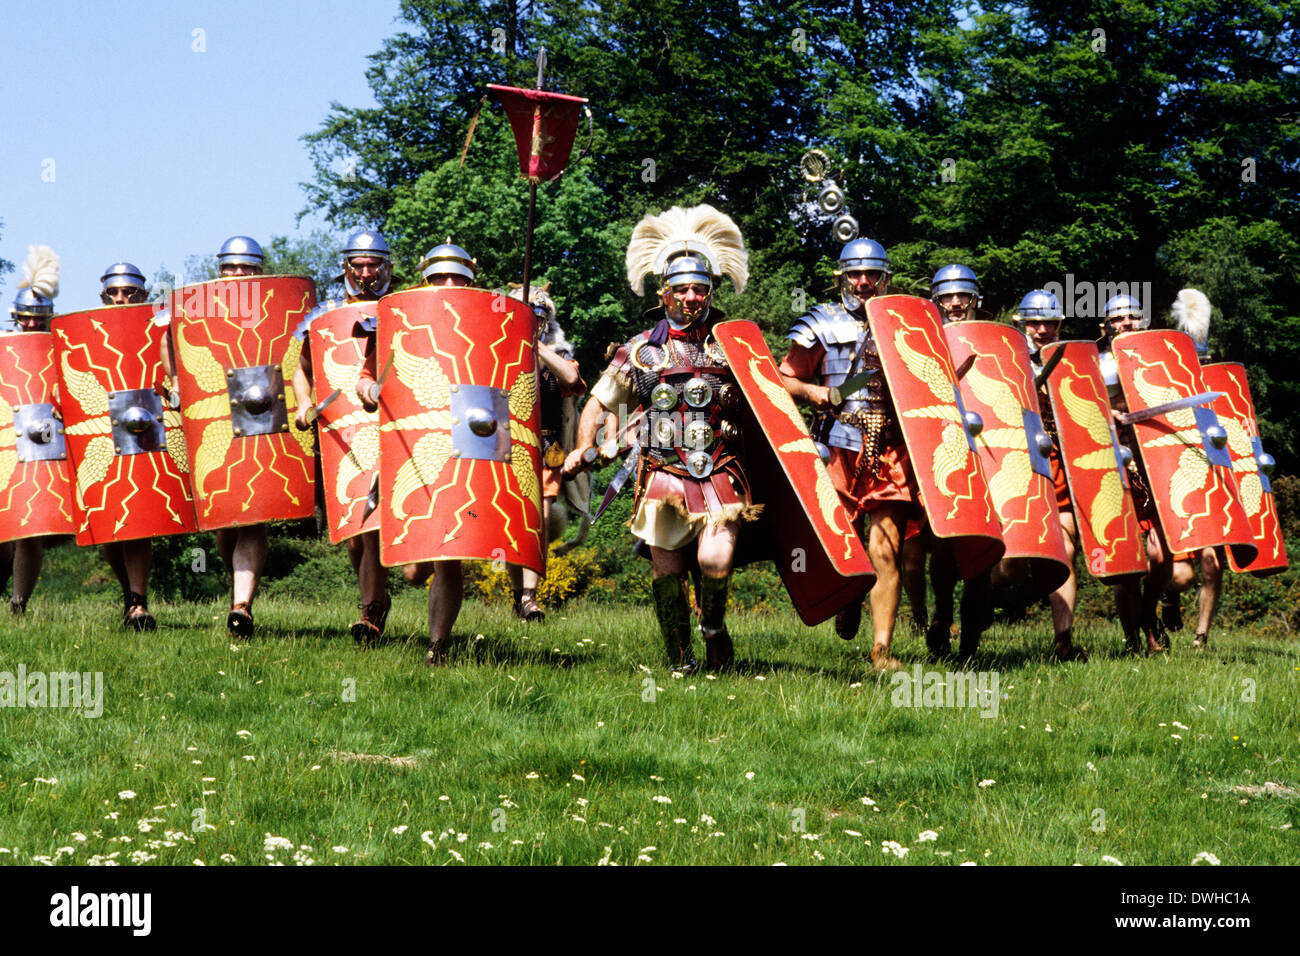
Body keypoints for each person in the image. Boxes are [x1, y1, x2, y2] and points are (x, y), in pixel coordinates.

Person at [564, 205, 754, 673]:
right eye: (683, 289)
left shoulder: (733, 344)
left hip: (721, 470)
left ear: (710, 293)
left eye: (701, 289)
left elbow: (768, 399)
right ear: (665, 293)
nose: (692, 297)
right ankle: (680, 660)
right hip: (663, 473)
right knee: (667, 576)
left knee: (715, 561)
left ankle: (712, 631)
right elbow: (598, 403)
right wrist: (582, 448)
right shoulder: (641, 348)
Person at [779, 238, 922, 671]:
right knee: (840, 545)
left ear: (885, 278)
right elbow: (781, 378)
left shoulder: (906, 327)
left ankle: (881, 650)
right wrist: (813, 390)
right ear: (842, 277)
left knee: (886, 549)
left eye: (872, 274)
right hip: (835, 448)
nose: (863, 282)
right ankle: (850, 593)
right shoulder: (821, 322)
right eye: (855, 274)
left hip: (893, 452)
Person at [357, 239, 475, 664]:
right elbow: (365, 377)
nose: (448, 282)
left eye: (456, 276)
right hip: (409, 446)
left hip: (465, 450)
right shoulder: (398, 316)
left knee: (447, 551)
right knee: (398, 555)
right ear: (426, 278)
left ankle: (437, 645)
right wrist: (371, 389)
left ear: (469, 277)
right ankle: (376, 605)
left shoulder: (484, 318)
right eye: (440, 276)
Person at [159, 236, 272, 637]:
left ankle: (242, 605)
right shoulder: (199, 308)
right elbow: (167, 337)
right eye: (231, 268)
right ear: (220, 270)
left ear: (259, 271)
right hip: (217, 420)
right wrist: (174, 381)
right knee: (226, 523)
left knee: (254, 518)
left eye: (247, 268)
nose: (238, 275)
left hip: (262, 419)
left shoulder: (275, 306)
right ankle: (238, 583)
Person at [291, 228, 394, 643]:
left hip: (389, 430)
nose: (366, 272)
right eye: (359, 264)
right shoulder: (322, 316)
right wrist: (303, 402)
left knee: (370, 526)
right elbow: (302, 367)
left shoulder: (402, 309)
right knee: (353, 532)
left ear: (386, 267)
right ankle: (377, 597)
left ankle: (370, 611)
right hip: (342, 434)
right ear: (346, 267)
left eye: (374, 265)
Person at [909, 264, 993, 660]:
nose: (956, 303)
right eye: (947, 296)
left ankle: (972, 641)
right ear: (936, 300)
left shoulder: (995, 343)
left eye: (962, 296)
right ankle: (942, 615)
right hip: (940, 449)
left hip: (989, 453)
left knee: (984, 548)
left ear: (975, 298)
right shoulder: (927, 342)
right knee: (942, 544)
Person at [1014, 289, 1088, 661]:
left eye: (1049, 323)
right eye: (1034, 322)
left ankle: (1064, 640)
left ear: (1060, 324)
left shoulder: (1073, 362)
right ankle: (973, 628)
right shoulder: (1005, 358)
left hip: (1058, 459)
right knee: (1005, 561)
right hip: (1014, 460)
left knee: (1066, 547)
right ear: (1022, 324)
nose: (1041, 329)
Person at [504, 284, 585, 621]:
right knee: (512, 521)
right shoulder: (501, 349)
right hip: (505, 444)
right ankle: (517, 593)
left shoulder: (558, 352)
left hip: (546, 445)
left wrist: (537, 348)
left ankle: (529, 596)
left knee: (539, 519)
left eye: (538, 317)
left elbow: (571, 378)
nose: (533, 322)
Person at [1098, 292, 1170, 655]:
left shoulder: (1161, 361)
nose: (1126, 323)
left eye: (1132, 317)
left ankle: (1149, 612)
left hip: (1154, 459)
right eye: (1118, 318)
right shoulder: (1095, 364)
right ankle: (1133, 640)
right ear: (1106, 326)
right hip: (1112, 459)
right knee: (1126, 557)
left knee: (1161, 554)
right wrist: (1106, 409)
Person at [97, 262, 158, 629]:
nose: (122, 298)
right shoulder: (85, 332)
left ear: (144, 295)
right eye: (114, 293)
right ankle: (129, 594)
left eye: (130, 292)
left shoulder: (158, 327)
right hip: (102, 431)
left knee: (138, 519)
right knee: (109, 529)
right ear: (103, 296)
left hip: (144, 430)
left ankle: (138, 601)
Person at [3, 246, 61, 615]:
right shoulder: (5, 351)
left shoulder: (63, 347)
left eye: (37, 318)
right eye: (25, 318)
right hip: (7, 444)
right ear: (16, 316)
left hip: (43, 449)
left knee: (30, 530)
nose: (30, 324)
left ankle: (19, 604)